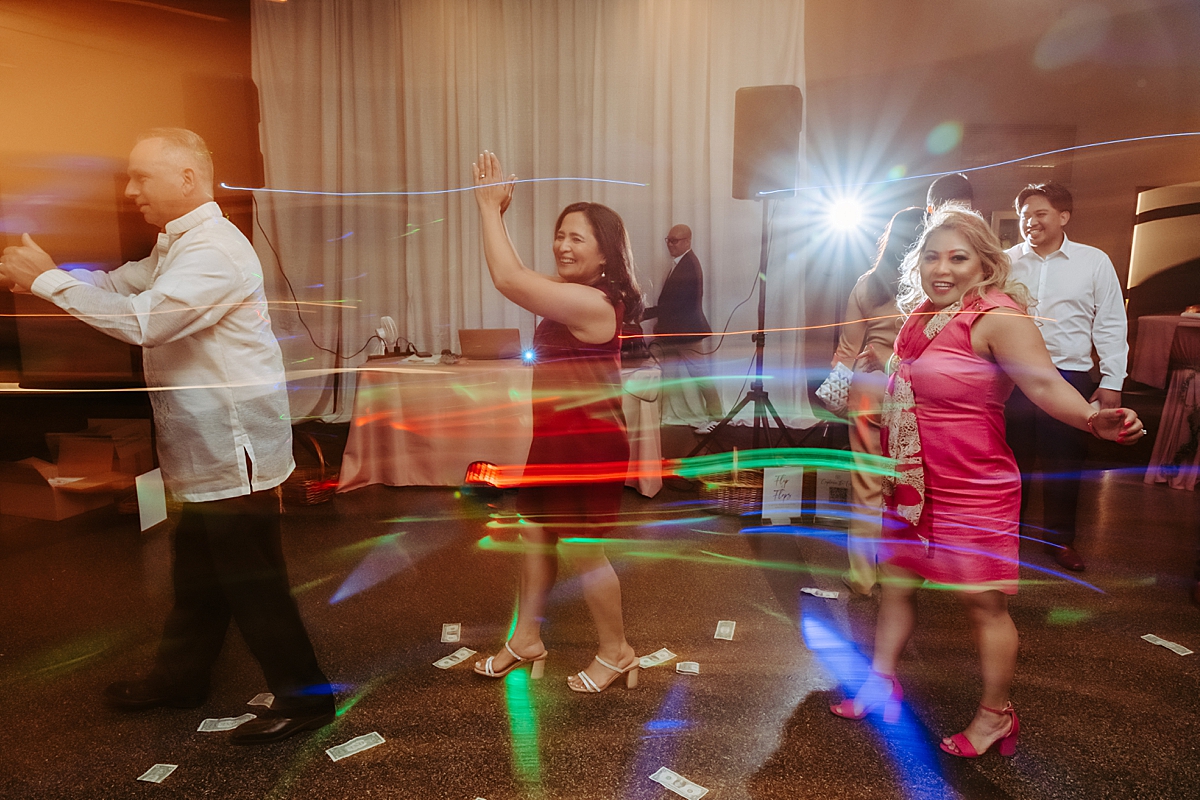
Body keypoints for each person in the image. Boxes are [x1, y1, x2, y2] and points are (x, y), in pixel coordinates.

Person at [0, 129, 335, 745]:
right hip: (201, 450)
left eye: (141, 177)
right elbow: (120, 286)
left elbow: (146, 323)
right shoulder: (177, 245)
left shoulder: (215, 251)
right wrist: (53, 279)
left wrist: (48, 281)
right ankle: (182, 678)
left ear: (186, 178)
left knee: (253, 583)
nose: (130, 192)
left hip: (234, 455)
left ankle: (306, 697)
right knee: (198, 577)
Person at [828, 207, 1144, 758]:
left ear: (984, 265)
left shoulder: (998, 318)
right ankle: (880, 683)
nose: (941, 269)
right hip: (913, 481)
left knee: (984, 606)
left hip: (973, 486)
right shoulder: (921, 316)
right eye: (931, 257)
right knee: (896, 585)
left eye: (958, 257)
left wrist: (1094, 418)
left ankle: (996, 715)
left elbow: (1045, 386)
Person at [470, 150, 642, 693]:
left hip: (589, 443)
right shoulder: (575, 297)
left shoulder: (598, 305)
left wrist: (488, 208)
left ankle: (618, 652)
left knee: (583, 548)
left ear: (605, 256)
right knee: (536, 536)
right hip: (555, 438)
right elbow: (518, 275)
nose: (563, 246)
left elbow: (507, 278)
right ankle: (525, 640)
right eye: (559, 235)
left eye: (577, 240)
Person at [1004, 182, 1128, 572]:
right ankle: (1009, 537)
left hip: (1071, 376)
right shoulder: (1005, 262)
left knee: (1064, 463)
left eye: (1040, 213)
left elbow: (1109, 323)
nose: (1031, 222)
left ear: (1063, 217)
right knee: (1011, 462)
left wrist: (1111, 381)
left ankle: (1061, 541)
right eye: (1025, 215)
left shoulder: (1093, 261)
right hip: (1015, 377)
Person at [831, 207, 925, 596]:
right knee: (910, 483)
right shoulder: (931, 285)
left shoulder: (867, 285)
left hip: (868, 392)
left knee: (866, 486)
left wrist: (837, 399)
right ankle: (902, 574)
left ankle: (862, 578)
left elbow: (846, 351)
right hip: (916, 395)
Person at [643, 224, 723, 433]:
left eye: (674, 241)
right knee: (666, 377)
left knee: (701, 377)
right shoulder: (681, 263)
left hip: (687, 335)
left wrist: (645, 314)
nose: (670, 244)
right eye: (668, 240)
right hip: (676, 334)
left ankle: (717, 418)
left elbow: (674, 305)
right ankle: (658, 418)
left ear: (687, 242)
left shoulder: (688, 265)